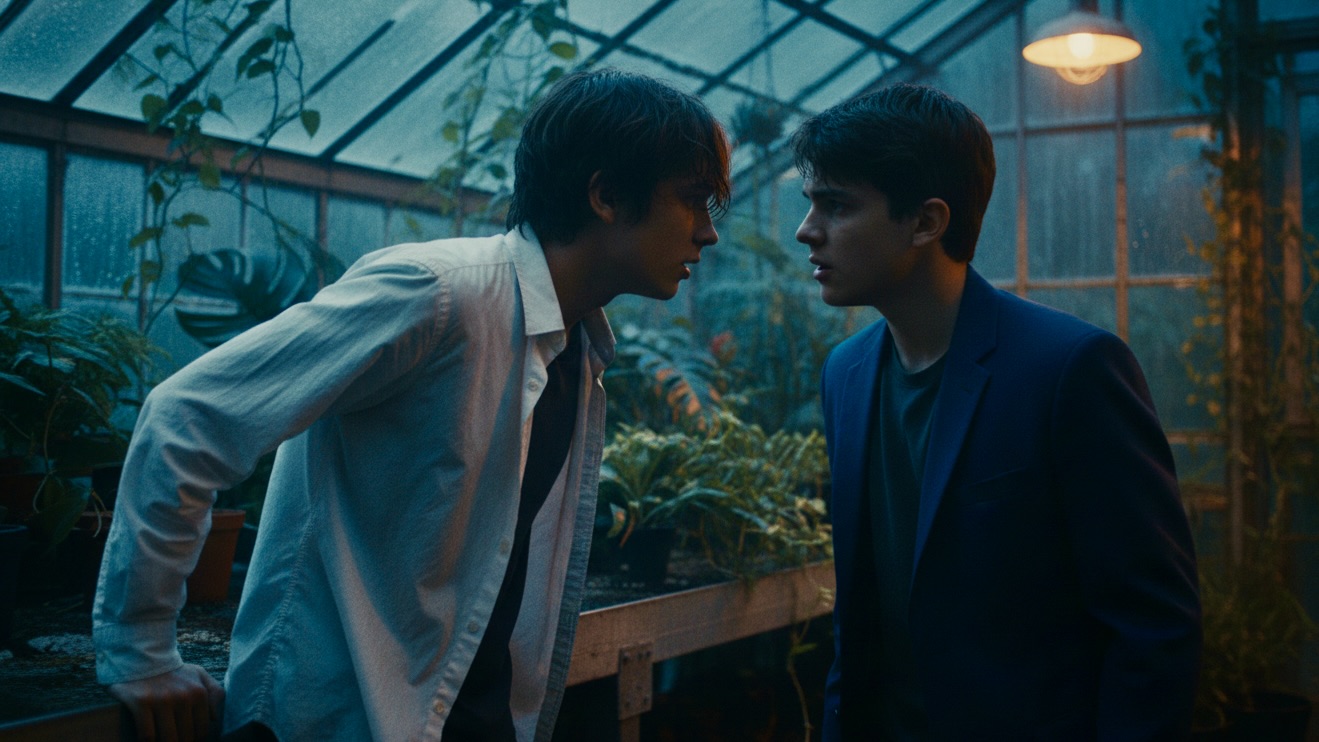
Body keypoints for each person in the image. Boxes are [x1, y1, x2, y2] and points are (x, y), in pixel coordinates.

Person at [93, 68, 729, 742]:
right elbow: (187, 417)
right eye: (691, 200)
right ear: (604, 194)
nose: (706, 234)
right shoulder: (440, 294)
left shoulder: (572, 347)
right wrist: (141, 651)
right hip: (342, 718)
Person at [791, 83, 1200, 740]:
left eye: (835, 206)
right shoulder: (845, 374)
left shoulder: (1068, 368)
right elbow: (861, 615)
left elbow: (1152, 625)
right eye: (811, 203)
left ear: (926, 221)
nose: (806, 230)